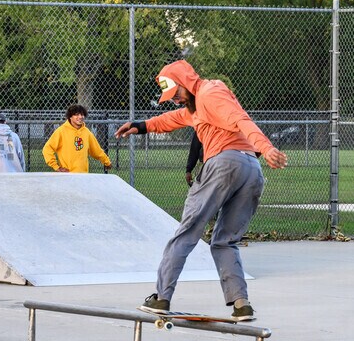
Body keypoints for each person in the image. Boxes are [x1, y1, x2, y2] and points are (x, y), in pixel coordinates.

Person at [115, 60, 287, 321]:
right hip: (251, 171)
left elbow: (241, 120)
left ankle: (161, 299)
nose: (175, 101)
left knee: (186, 232)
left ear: (186, 82)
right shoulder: (197, 107)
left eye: (176, 94)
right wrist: (141, 125)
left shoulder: (210, 92)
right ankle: (241, 304)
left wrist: (266, 147)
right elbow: (171, 120)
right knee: (225, 241)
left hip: (224, 164)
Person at [42, 104, 112, 173]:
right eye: (76, 115)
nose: (80, 117)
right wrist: (56, 167)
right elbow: (47, 148)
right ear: (70, 117)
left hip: (83, 176)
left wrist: (106, 161)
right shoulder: (61, 131)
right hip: (67, 175)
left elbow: (96, 150)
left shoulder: (86, 132)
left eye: (82, 115)